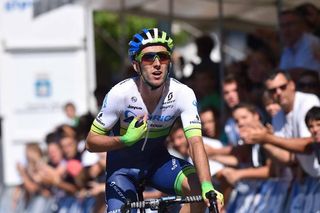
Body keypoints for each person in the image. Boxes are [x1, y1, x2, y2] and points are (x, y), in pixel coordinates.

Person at [86, 28, 223, 213]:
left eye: (163, 57)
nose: (157, 64)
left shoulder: (182, 94)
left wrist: (207, 185)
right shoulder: (120, 94)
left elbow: (195, 142)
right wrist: (125, 140)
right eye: (149, 58)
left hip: (158, 164)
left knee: (198, 189)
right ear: (136, 65)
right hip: (122, 170)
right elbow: (91, 142)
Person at [241, 70, 320, 178]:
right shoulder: (277, 116)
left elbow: (308, 145)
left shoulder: (308, 101)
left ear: (292, 85)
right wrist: (262, 140)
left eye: (282, 87)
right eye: (273, 90)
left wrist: (268, 138)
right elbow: (287, 158)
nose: (278, 92)